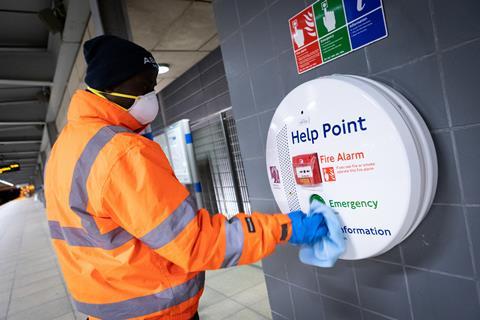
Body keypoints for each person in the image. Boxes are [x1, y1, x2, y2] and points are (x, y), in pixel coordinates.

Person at [44, 35, 328, 320]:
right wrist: (285, 227)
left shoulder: (67, 148)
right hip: (153, 313)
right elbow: (194, 242)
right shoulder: (120, 153)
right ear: (110, 86)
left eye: (153, 87)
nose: (150, 96)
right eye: (143, 86)